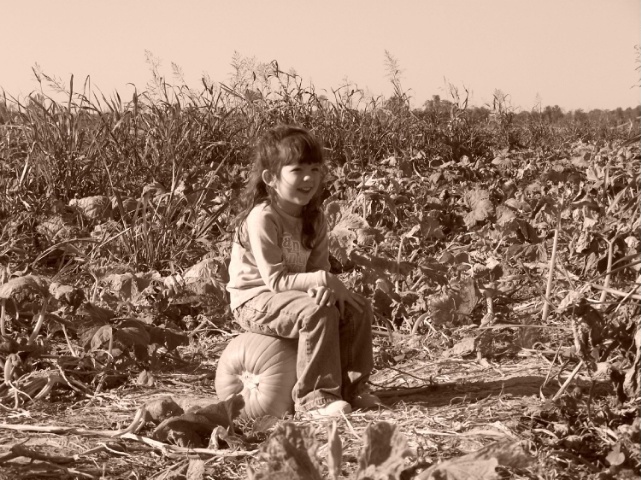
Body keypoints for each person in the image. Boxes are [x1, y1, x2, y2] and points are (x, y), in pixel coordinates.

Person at [226, 125, 380, 417]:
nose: (309, 177)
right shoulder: (263, 217)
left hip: (290, 296)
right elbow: (275, 280)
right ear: (271, 178)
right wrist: (322, 281)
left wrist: (323, 288)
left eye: (315, 168)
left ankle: (354, 389)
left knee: (356, 308)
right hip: (254, 299)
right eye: (297, 170)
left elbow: (318, 269)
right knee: (317, 313)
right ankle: (314, 400)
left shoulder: (315, 217)